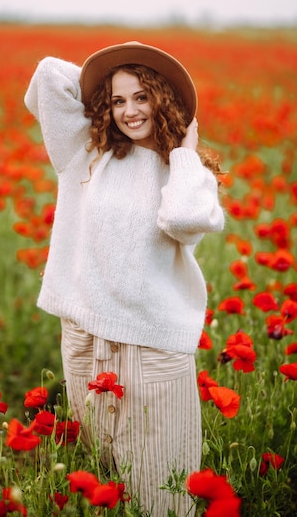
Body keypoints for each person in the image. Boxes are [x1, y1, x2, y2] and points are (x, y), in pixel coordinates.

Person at [24, 41, 224, 516]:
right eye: (117, 100)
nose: (129, 111)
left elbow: (183, 220)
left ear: (164, 100)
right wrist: (106, 71)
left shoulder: (185, 173)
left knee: (161, 488)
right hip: (85, 334)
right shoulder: (86, 155)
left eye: (142, 97)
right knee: (102, 474)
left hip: (149, 345)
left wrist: (183, 153)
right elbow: (49, 76)